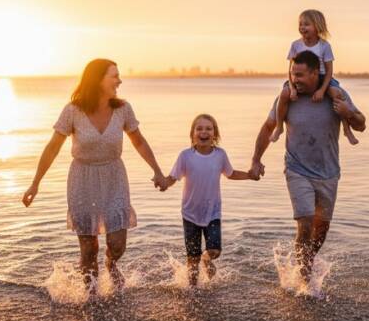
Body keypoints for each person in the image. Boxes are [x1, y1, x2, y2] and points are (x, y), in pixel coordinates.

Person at [21, 58, 167, 289]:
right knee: (89, 249)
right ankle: (91, 300)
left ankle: (111, 263)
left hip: (114, 177)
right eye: (114, 75)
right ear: (98, 79)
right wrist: (35, 183)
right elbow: (53, 147)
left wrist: (157, 171)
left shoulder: (123, 109)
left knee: (117, 243)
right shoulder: (73, 111)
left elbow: (138, 141)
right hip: (83, 178)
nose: (120, 80)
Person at [250, 50, 366, 280]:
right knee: (304, 221)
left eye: (301, 75)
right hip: (297, 169)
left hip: (328, 173)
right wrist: (256, 160)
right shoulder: (287, 99)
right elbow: (268, 127)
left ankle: (307, 262)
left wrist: (348, 112)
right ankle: (304, 280)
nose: (295, 80)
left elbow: (361, 124)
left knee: (320, 231)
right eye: (293, 74)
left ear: (316, 73)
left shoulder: (335, 94)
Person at [161, 114, 257, 286]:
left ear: (215, 134)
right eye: (199, 128)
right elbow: (173, 177)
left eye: (208, 128)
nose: (203, 132)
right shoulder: (185, 156)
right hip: (190, 212)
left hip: (212, 212)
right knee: (192, 257)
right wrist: (163, 183)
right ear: (192, 134)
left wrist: (249, 175)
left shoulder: (220, 155)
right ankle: (193, 290)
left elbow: (231, 174)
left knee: (214, 251)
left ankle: (206, 260)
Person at [270, 9, 359, 145]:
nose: (302, 27)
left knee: (337, 93)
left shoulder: (324, 46)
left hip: (323, 78)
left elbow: (329, 71)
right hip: (300, 79)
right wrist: (292, 88)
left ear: (317, 26)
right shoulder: (296, 45)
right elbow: (290, 70)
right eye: (300, 24)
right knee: (284, 94)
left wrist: (322, 90)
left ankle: (347, 129)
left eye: (306, 24)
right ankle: (279, 127)